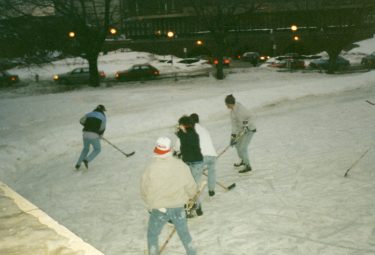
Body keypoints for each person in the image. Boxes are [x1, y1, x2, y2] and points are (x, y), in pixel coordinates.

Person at [141, 137, 198, 255]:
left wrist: (149, 202)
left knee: (152, 235)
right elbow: (191, 186)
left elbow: (144, 189)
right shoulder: (181, 165)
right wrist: (191, 197)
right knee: (185, 235)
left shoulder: (150, 168)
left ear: (156, 150)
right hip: (178, 207)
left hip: (159, 208)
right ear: (170, 150)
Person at [175, 115, 204, 216]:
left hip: (196, 163)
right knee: (188, 186)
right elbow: (183, 143)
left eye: (180, 125)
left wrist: (181, 131)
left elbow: (187, 140)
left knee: (194, 187)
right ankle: (194, 207)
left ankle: (196, 207)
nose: (179, 126)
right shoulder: (185, 134)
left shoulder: (192, 134)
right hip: (188, 162)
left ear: (185, 125)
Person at [225, 94, 256, 173]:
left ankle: (248, 166)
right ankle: (243, 160)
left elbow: (250, 116)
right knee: (237, 144)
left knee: (243, 148)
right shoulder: (232, 113)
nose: (226, 106)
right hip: (241, 130)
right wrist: (233, 137)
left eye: (226, 104)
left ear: (229, 103)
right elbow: (234, 126)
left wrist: (246, 126)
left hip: (249, 129)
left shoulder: (240, 108)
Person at [189, 113, 217, 197]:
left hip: (201, 157)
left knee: (196, 178)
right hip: (212, 155)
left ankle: (195, 200)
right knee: (212, 173)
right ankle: (211, 190)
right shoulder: (204, 129)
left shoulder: (191, 129)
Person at [75, 104, 106, 170]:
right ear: (102, 110)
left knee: (85, 149)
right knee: (97, 149)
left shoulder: (89, 114)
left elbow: (81, 121)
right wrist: (100, 135)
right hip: (94, 135)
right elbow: (102, 128)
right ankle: (87, 160)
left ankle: (78, 164)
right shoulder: (103, 117)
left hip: (85, 134)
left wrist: (88, 126)